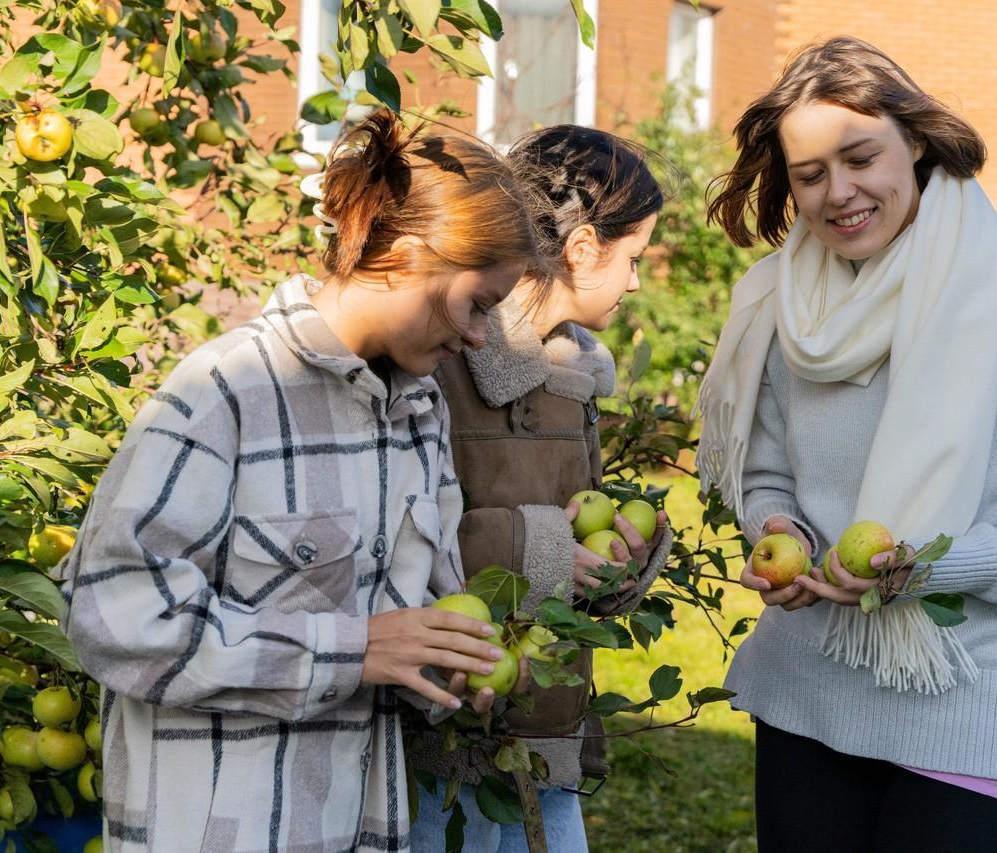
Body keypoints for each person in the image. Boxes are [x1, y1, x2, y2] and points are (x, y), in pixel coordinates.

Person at [58, 110, 540, 851]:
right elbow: (112, 612)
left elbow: (406, 621)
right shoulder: (225, 392)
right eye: (477, 302)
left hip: (357, 825)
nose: (479, 335)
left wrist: (445, 659)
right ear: (409, 255)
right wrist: (352, 649)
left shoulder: (417, 411)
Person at [697, 37, 997, 852]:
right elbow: (768, 469)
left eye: (860, 157)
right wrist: (777, 528)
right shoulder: (785, 301)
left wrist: (929, 564)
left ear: (916, 141)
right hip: (808, 683)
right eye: (810, 173)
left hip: (972, 688)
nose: (838, 193)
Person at [409, 125, 673, 852]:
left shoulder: (572, 375)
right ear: (583, 249)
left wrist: (624, 549)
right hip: (448, 736)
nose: (638, 281)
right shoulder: (443, 362)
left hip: (543, 728)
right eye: (634, 257)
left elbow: (569, 527)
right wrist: (550, 545)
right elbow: (408, 536)